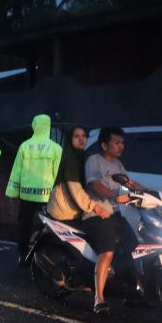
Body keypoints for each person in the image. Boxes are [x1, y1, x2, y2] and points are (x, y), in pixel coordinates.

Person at [83, 127, 145, 315]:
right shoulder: (94, 161)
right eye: (117, 142)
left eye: (122, 142)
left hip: (114, 215)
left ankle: (129, 293)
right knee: (108, 252)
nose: (121, 146)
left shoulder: (118, 164)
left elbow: (131, 184)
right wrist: (115, 197)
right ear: (104, 145)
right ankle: (99, 299)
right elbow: (96, 185)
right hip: (96, 214)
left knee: (133, 247)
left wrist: (152, 193)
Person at [47, 126, 113, 300]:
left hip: (74, 208)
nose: (81, 139)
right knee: (82, 244)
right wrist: (95, 207)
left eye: (84, 136)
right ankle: (73, 278)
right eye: (76, 136)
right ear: (70, 139)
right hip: (63, 210)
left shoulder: (81, 157)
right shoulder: (70, 159)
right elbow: (75, 190)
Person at [5, 114, 62, 266]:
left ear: (34, 126)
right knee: (47, 228)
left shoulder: (25, 146)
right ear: (48, 126)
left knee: (25, 226)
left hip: (26, 196)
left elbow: (17, 170)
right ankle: (44, 257)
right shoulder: (56, 148)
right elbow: (58, 174)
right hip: (46, 196)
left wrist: (12, 193)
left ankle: (23, 255)